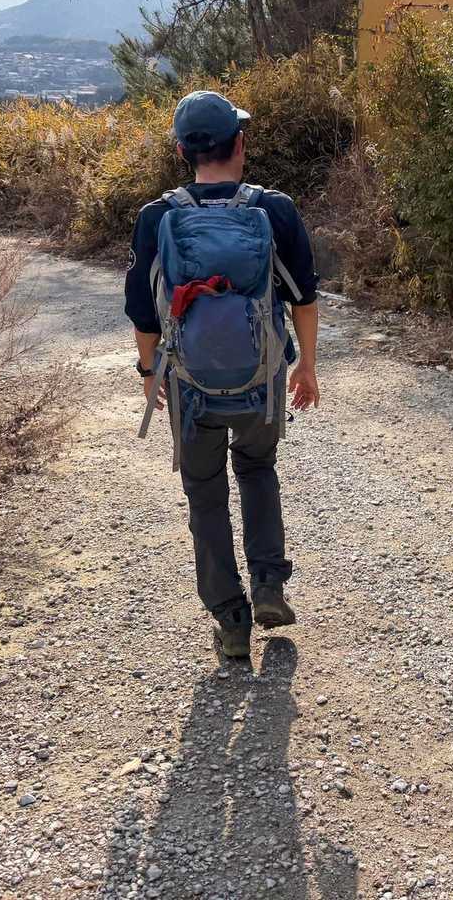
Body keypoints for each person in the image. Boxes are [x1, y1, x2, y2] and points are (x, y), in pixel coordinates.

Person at [124, 90, 321, 659]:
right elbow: (304, 297)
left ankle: (231, 619)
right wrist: (306, 366)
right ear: (240, 144)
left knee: (204, 491)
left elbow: (143, 311)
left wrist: (149, 372)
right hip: (261, 380)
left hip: (189, 385)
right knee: (257, 468)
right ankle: (268, 584)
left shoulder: (157, 217)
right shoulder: (274, 209)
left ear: (182, 151)